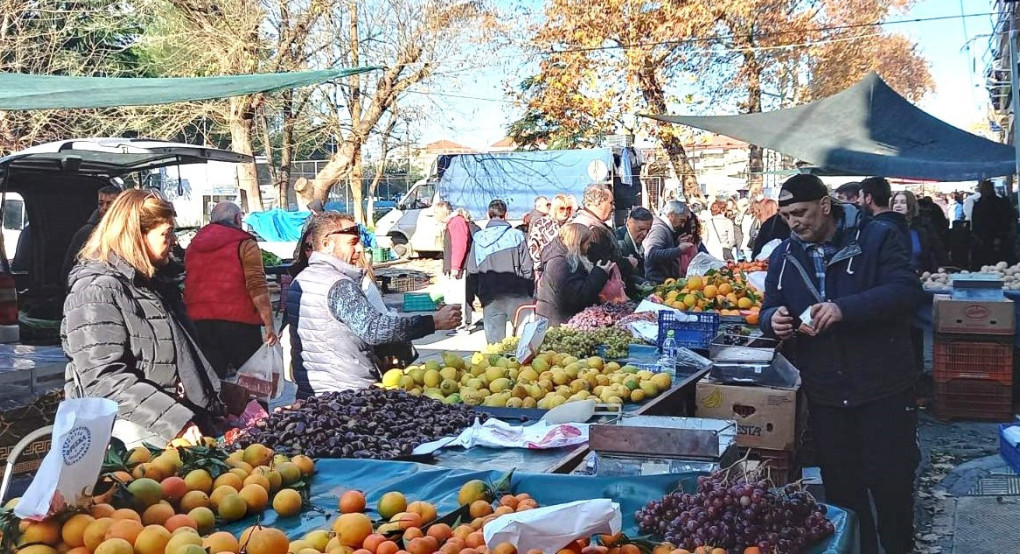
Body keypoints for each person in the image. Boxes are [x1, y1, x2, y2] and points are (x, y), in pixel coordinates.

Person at [760, 174, 921, 554]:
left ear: (826, 205)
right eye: (786, 216)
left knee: (892, 485)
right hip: (827, 393)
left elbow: (906, 292)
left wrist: (845, 309)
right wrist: (773, 320)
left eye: (800, 212)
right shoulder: (783, 256)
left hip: (883, 386)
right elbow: (769, 305)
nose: (794, 222)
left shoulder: (876, 237)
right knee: (845, 491)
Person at [62, 189, 224, 447]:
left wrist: (220, 392)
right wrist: (175, 420)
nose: (173, 242)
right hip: (126, 443)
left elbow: (174, 359)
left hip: (165, 436)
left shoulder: (153, 285)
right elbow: (103, 379)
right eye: (166, 234)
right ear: (136, 236)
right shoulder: (96, 291)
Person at [285, 212, 461, 398]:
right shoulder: (338, 284)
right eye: (352, 243)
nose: (360, 249)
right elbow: (374, 329)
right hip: (346, 395)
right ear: (327, 244)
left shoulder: (302, 279)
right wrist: (434, 322)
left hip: (311, 391)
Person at [184, 202, 278, 379]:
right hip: (240, 324)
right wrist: (269, 324)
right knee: (253, 385)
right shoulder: (244, 243)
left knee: (210, 383)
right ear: (236, 219)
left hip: (200, 322)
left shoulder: (193, 245)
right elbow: (256, 284)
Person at [466, 199, 534, 344]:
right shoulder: (517, 236)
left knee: (495, 348)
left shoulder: (478, 239)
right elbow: (527, 268)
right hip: (518, 296)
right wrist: (529, 292)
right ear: (506, 214)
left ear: (488, 214)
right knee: (524, 345)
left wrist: (471, 299)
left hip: (490, 298)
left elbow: (472, 272)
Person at [536, 223, 613, 325]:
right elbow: (577, 296)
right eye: (587, 244)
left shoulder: (565, 258)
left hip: (561, 318)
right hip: (557, 322)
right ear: (577, 244)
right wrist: (599, 273)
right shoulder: (559, 264)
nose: (589, 247)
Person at [574, 183, 635, 292]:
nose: (613, 207)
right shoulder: (592, 230)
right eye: (611, 203)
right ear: (598, 203)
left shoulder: (591, 225)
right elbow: (603, 264)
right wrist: (628, 263)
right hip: (601, 294)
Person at [62, 184, 123, 283]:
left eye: (109, 203)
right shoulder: (86, 233)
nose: (104, 208)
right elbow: (69, 267)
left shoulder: (127, 233)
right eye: (101, 203)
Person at [435, 201, 473, 331]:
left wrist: (455, 267)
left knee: (457, 298)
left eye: (436, 212)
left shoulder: (456, 222)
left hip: (458, 269)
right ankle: (458, 324)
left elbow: (459, 245)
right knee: (454, 297)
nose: (435, 215)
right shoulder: (453, 222)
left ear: (443, 211)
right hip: (454, 267)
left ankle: (460, 325)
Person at [891, 191, 948, 274]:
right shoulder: (888, 226)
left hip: (922, 276)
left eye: (903, 202)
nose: (898, 205)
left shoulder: (924, 226)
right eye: (895, 202)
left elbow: (938, 250)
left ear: (911, 204)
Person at [643, 201, 694, 283]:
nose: (682, 225)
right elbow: (652, 254)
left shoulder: (664, 229)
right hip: (658, 283)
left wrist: (677, 243)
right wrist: (679, 249)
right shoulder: (659, 229)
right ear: (671, 215)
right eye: (682, 220)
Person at [971, 179, 1018, 267]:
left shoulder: (1000, 203)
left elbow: (1005, 221)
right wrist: (976, 235)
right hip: (982, 239)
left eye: (987, 188)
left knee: (998, 262)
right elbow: (975, 221)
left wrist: (999, 236)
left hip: (998, 238)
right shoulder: (978, 204)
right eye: (983, 189)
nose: (984, 191)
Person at [859, 176, 910, 251]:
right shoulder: (900, 222)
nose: (858, 200)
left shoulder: (878, 228)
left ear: (868, 198)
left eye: (860, 196)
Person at [528, 194, 574, 271]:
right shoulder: (541, 223)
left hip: (570, 269)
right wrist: (540, 266)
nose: (565, 212)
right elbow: (533, 246)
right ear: (555, 209)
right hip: (546, 269)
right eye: (562, 209)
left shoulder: (573, 225)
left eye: (568, 208)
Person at [616, 207, 653, 280]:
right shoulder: (619, 243)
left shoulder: (635, 240)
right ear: (629, 223)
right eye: (641, 229)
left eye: (648, 230)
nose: (645, 234)